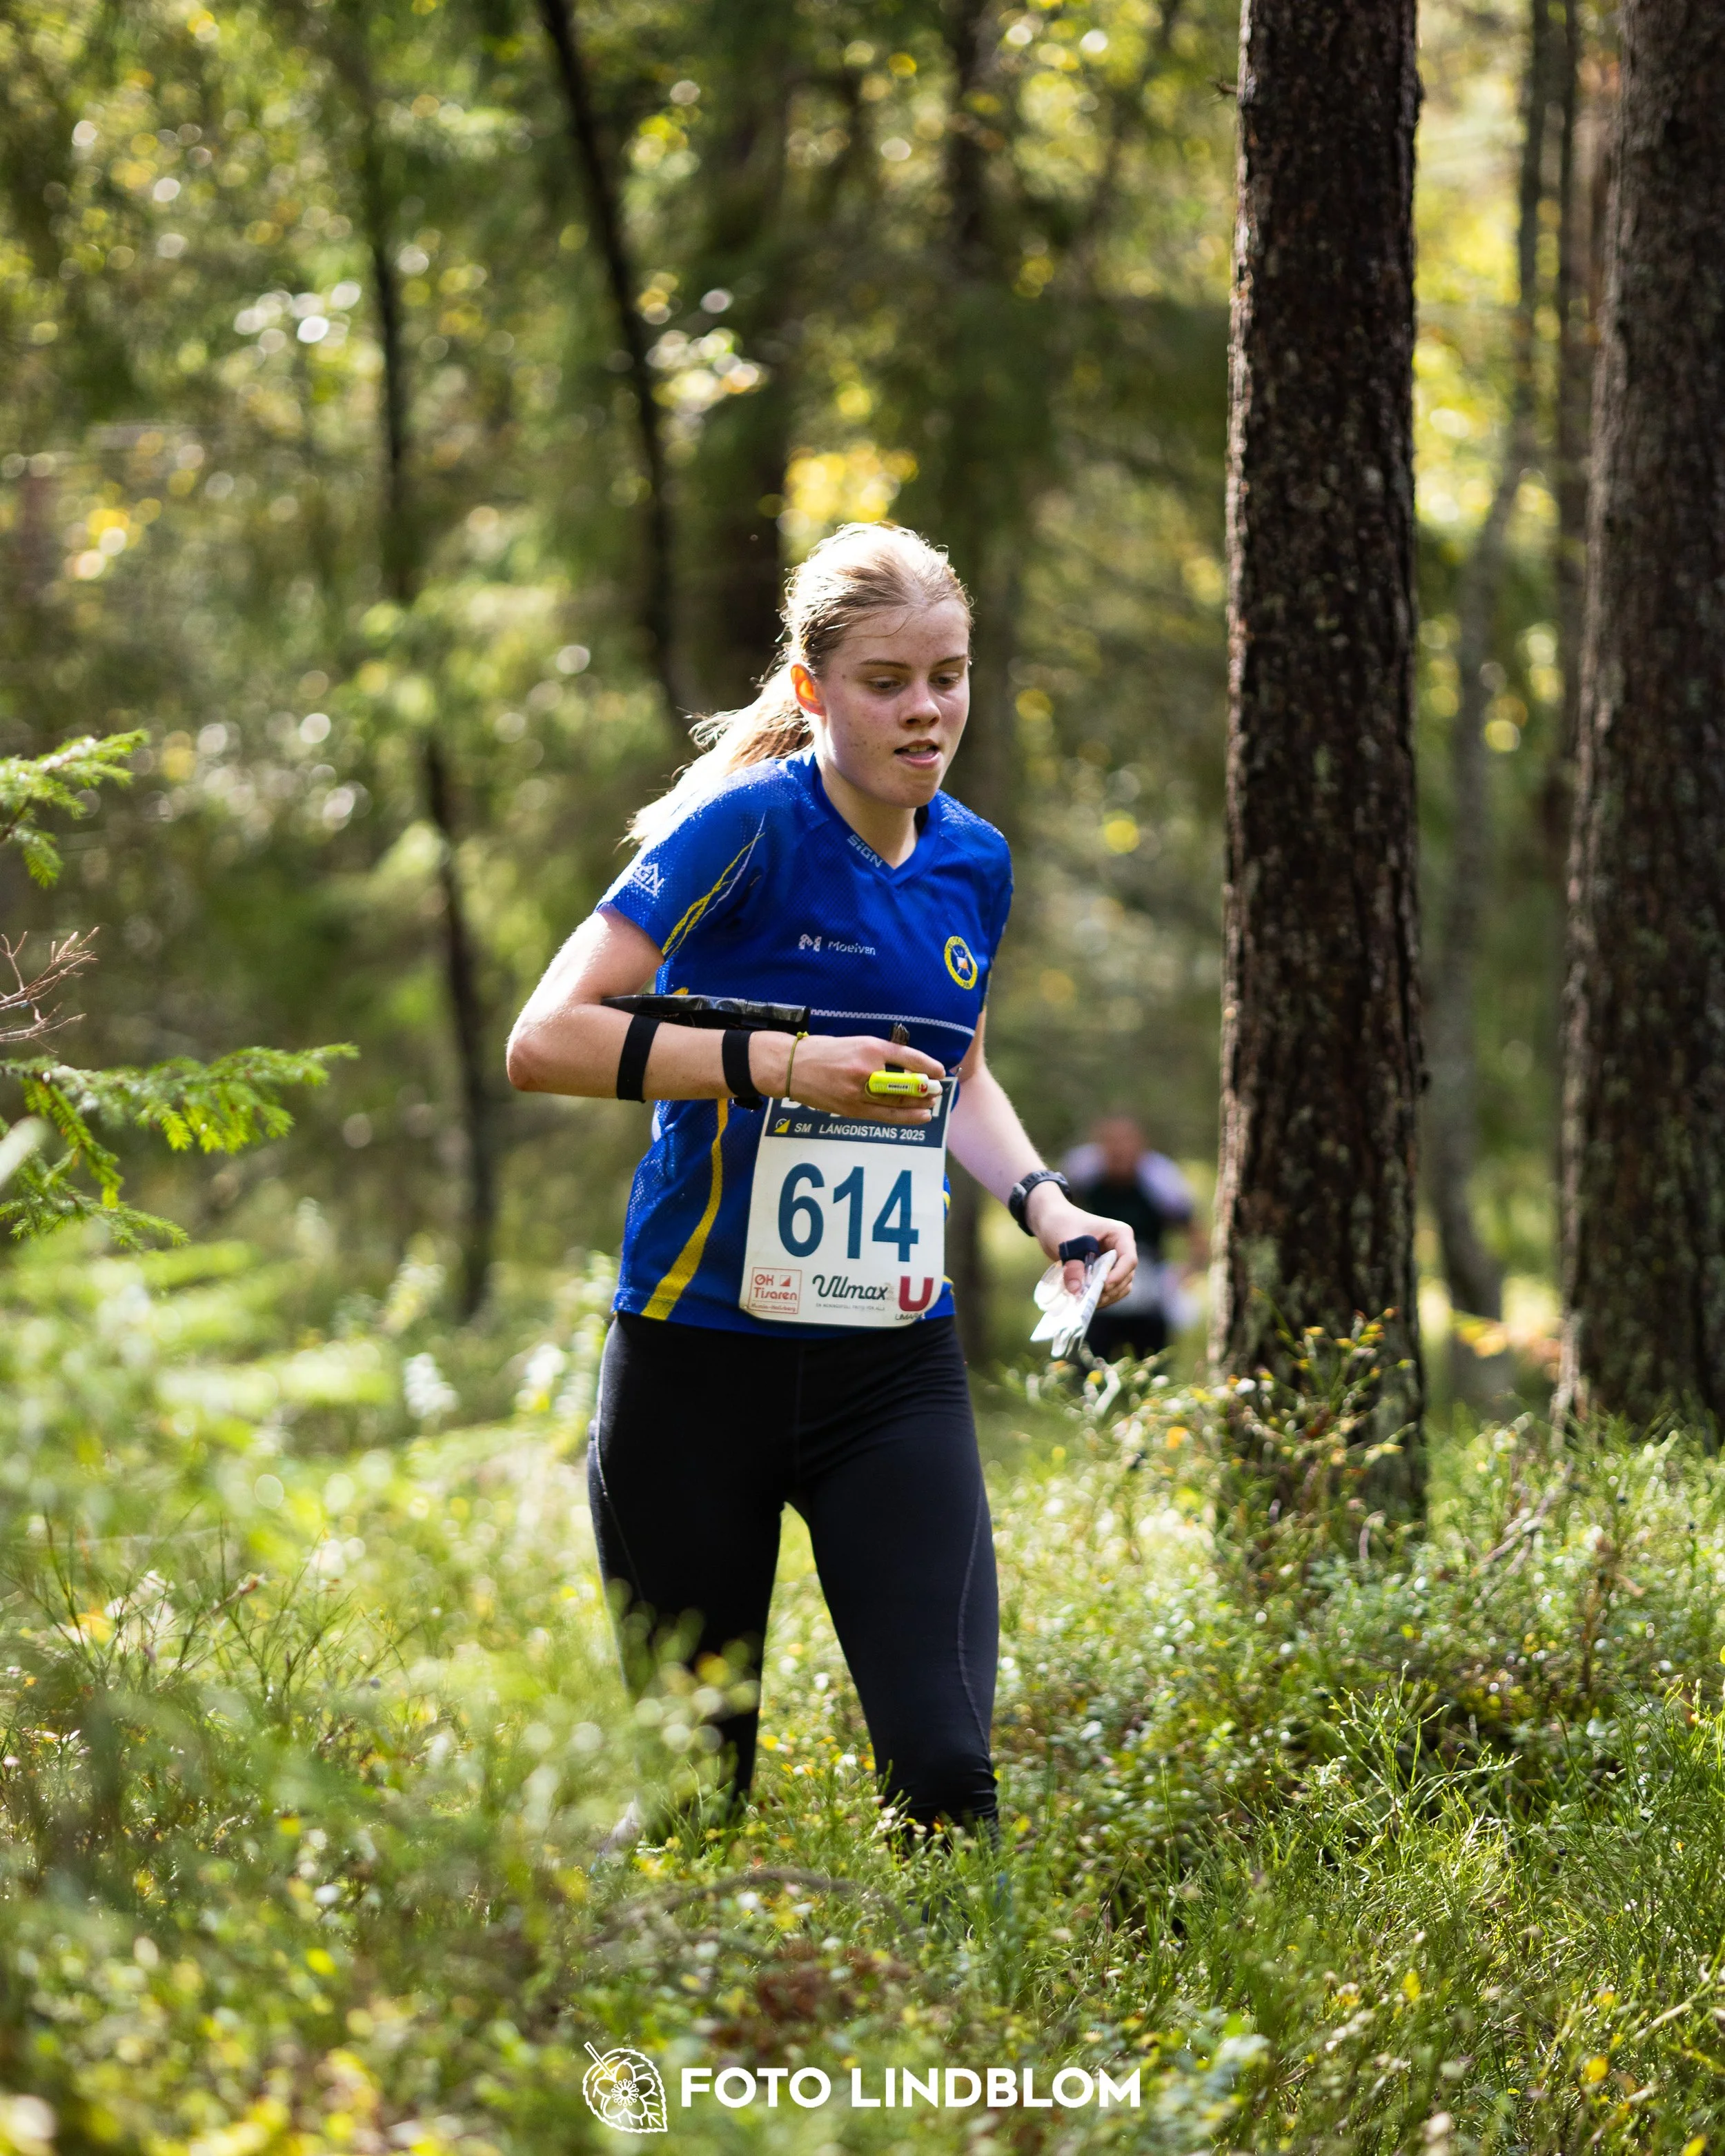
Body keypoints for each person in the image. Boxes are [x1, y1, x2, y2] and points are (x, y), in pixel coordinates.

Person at [506, 522, 1137, 1838]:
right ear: (812, 688)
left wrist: (1046, 1205)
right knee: (696, 1801)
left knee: (951, 1780)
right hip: (697, 1360)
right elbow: (544, 1039)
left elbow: (955, 1073)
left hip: (888, 1366)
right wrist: (785, 1064)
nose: (927, 711)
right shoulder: (743, 833)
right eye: (887, 680)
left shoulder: (976, 860)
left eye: (949, 676)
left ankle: (944, 2034)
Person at [1062, 1114, 1201, 1362]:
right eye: (1111, 1142)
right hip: (1095, 1285)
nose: (1119, 1150)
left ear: (1141, 1144)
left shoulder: (1160, 1179)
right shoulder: (1083, 1173)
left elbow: (1193, 1231)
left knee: (1150, 1365)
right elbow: (1060, 1218)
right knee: (1087, 1365)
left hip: (1148, 1286)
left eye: (1126, 1141)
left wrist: (1185, 1274)